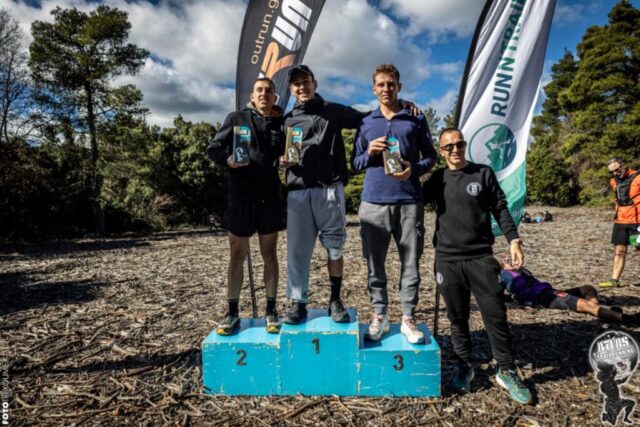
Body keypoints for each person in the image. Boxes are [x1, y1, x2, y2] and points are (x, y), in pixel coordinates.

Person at [423, 127, 532, 404]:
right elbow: (411, 200)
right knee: (457, 318)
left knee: (495, 315)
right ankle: (464, 366)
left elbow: (500, 207)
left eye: (459, 144)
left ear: (465, 145)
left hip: (481, 257)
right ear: (441, 151)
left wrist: (513, 239)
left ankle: (506, 370)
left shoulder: (482, 173)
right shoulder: (437, 179)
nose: (455, 150)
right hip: (447, 260)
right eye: (449, 146)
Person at [351, 64, 436, 344]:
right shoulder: (366, 122)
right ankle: (380, 315)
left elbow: (431, 157)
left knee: (410, 263)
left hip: (409, 201)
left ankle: (408, 318)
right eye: (381, 84)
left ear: (399, 86)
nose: (386, 88)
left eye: (391, 83)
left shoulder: (415, 118)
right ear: (373, 89)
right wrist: (369, 152)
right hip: (373, 203)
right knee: (374, 264)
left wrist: (414, 169)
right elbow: (355, 163)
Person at [280, 65, 365, 324]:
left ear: (314, 84)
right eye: (296, 84)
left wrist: (399, 107)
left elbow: (366, 119)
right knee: (297, 252)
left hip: (330, 191)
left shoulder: (333, 111)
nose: (302, 87)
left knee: (335, 248)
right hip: (298, 192)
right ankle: (298, 303)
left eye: (306, 81)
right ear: (292, 89)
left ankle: (335, 300)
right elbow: (273, 154)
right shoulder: (287, 120)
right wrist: (280, 162)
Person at [207, 77, 285, 335]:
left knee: (269, 254)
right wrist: (227, 159)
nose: (264, 94)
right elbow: (213, 148)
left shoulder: (280, 124)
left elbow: (287, 153)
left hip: (269, 199)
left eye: (268, 91)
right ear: (252, 96)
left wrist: (287, 159)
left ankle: (271, 310)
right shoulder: (235, 118)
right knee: (237, 255)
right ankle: (232, 313)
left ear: (274, 96)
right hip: (241, 199)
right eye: (259, 90)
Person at [498, 255, 640, 326]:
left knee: (588, 289)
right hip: (543, 297)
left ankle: (602, 312)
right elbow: (500, 293)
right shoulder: (504, 275)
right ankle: (628, 319)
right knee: (585, 305)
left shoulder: (518, 270)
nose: (509, 257)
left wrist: (519, 268)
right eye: (505, 257)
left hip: (549, 291)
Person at [598, 158, 640, 288]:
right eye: (612, 171)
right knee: (619, 250)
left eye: (617, 169)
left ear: (623, 165)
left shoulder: (637, 178)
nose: (615, 173)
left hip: (636, 223)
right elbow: (617, 200)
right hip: (621, 221)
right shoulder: (613, 181)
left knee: (639, 249)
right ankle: (614, 280)